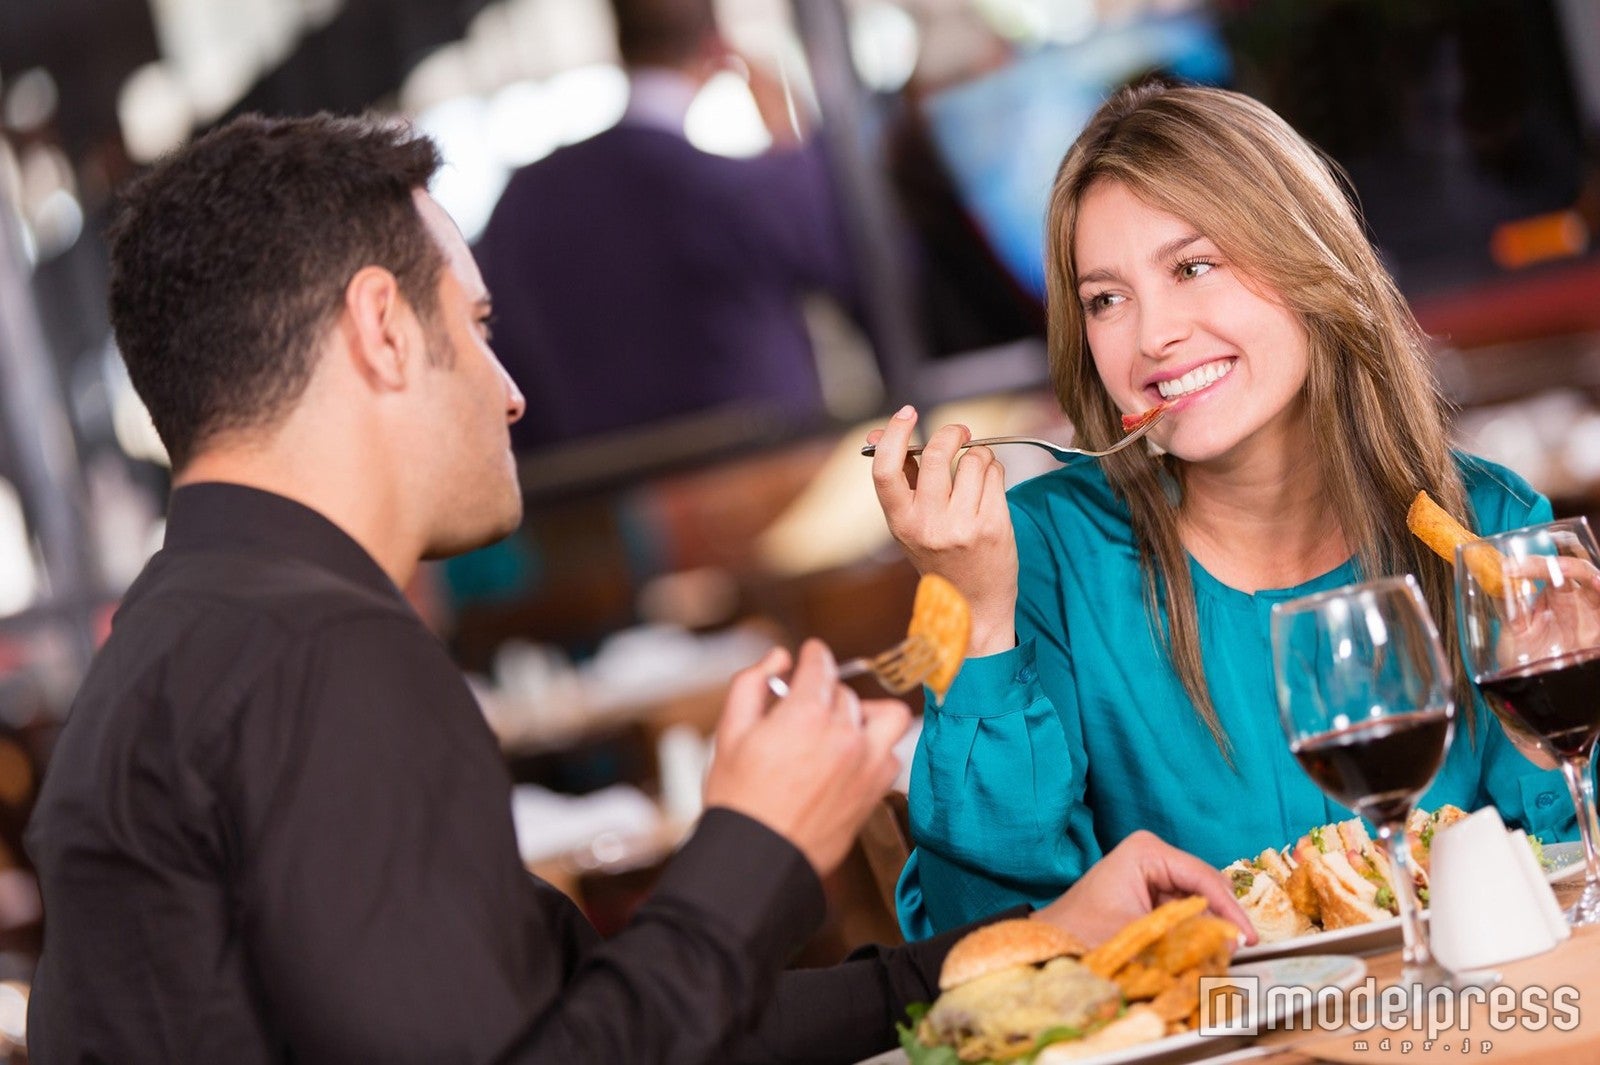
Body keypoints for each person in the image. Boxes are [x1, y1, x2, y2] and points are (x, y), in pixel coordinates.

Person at [23, 112, 1249, 1065]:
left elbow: (591, 1023)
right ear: (382, 330)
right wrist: (758, 843)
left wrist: (1008, 958)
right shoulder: (319, 653)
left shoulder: (189, 644)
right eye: (480, 323)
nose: (510, 390)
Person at [867, 80, 1577, 939]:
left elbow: (1572, 884)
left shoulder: (1490, 524)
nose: (1152, 334)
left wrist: (1562, 734)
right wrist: (975, 619)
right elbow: (991, 944)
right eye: (1106, 298)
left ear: (1311, 262)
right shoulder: (1037, 558)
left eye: (1193, 266)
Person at [474, 0, 857, 451]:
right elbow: (856, 265)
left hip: (592, 499)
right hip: (765, 476)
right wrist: (792, 145)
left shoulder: (525, 197)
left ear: (619, 37)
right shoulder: (737, 191)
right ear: (716, 46)